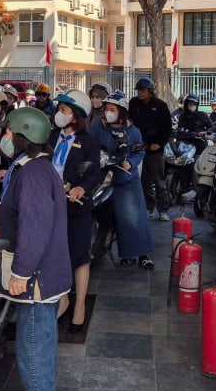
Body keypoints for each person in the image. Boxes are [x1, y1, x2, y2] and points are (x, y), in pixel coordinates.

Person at [0, 107, 71, 391]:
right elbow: (26, 219)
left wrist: (21, 271)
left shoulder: (33, 173)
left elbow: (36, 229)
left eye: (8, 132)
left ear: (23, 135)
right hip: (40, 269)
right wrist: (1, 228)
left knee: (33, 345)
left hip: (36, 274)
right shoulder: (32, 168)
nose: (4, 137)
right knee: (40, 341)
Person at [48, 90, 101, 333]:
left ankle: (79, 304)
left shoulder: (89, 141)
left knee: (79, 255)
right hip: (50, 204)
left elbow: (93, 173)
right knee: (54, 253)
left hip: (76, 205)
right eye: (59, 109)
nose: (60, 113)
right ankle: (62, 299)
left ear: (77, 115)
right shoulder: (50, 136)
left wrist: (81, 187)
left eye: (65, 110)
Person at [90, 93, 155, 269]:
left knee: (134, 218)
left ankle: (143, 255)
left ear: (122, 112)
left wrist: (130, 163)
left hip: (126, 180)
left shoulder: (132, 131)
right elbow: (88, 143)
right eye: (106, 109)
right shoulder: (98, 128)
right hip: (103, 177)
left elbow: (139, 152)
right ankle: (125, 254)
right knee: (117, 218)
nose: (108, 112)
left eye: (113, 109)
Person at [127, 77, 172, 221]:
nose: (140, 93)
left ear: (150, 91)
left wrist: (159, 143)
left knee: (159, 181)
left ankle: (163, 210)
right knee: (144, 180)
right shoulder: (134, 103)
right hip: (139, 148)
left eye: (143, 90)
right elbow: (130, 120)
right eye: (139, 90)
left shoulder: (160, 105)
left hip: (155, 149)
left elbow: (167, 129)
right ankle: (148, 207)